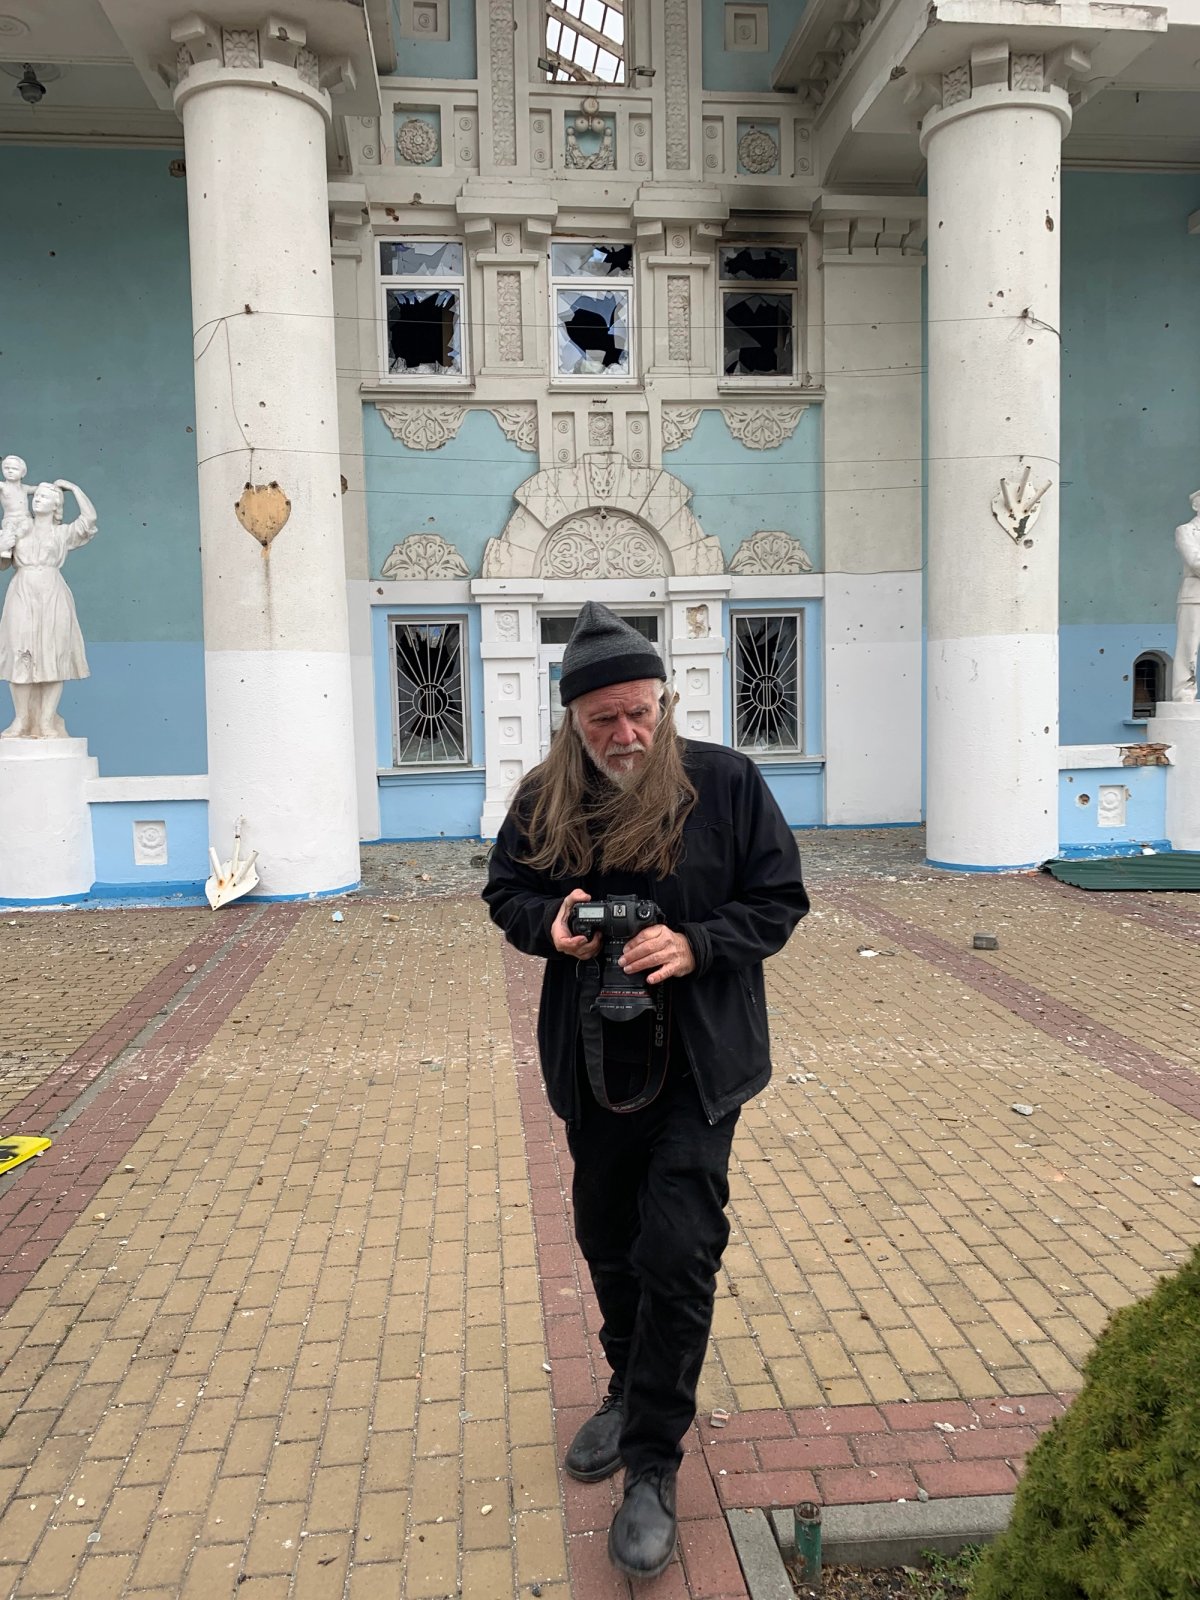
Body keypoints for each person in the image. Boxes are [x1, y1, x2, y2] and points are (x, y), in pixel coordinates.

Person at [483, 603, 808, 1580]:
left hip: (703, 1063)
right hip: (597, 1063)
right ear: (570, 720)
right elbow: (506, 890)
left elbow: (779, 899)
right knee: (605, 1236)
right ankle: (631, 1379)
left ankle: (655, 1462)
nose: (626, 736)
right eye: (602, 721)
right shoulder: (547, 795)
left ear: (664, 700)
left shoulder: (728, 783)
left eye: (640, 713)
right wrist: (555, 923)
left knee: (678, 1248)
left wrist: (700, 941)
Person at [0, 478, 96, 739]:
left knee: (52, 655)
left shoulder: (62, 533)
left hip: (53, 592)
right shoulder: (19, 527)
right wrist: (3, 543)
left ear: (56, 504)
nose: (38, 498)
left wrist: (74, 488)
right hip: (22, 589)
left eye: (45, 496)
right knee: (20, 652)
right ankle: (20, 720)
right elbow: (2, 564)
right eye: (36, 495)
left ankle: (45, 721)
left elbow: (88, 520)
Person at [1173, 490, 1200, 703]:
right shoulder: (1186, 531)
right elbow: (1195, 562)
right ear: (1196, 505)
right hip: (1194, 597)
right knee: (1188, 647)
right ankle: (1184, 694)